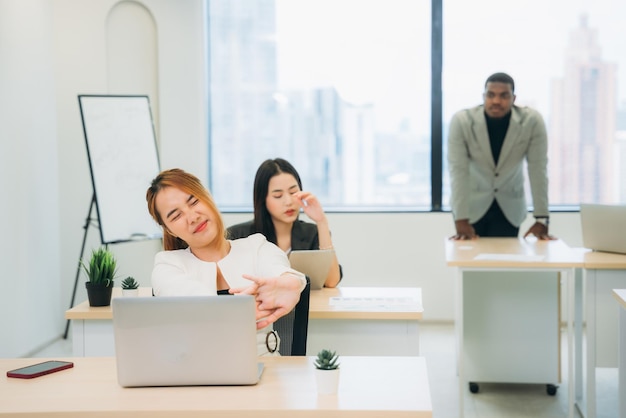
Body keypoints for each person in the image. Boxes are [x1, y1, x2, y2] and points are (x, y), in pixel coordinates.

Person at [146, 168, 307, 356]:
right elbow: (191, 300)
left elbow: (278, 269)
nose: (193, 217)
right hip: (199, 375)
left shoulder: (256, 246)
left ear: (208, 197)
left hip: (267, 370)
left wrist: (292, 282)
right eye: (176, 216)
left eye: (194, 201)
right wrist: (236, 311)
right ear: (169, 229)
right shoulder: (167, 264)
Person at [447, 72, 556, 240]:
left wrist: (542, 217)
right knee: (470, 263)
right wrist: (460, 218)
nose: (496, 101)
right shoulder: (462, 121)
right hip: (471, 208)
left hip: (510, 209)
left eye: (504, 96)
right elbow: (458, 171)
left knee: (506, 264)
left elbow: (538, 169)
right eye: (491, 95)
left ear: (514, 98)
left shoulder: (532, 122)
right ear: (483, 97)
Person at [228, 158, 342, 288]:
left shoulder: (312, 233)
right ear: (262, 199)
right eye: (278, 195)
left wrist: (322, 222)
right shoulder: (238, 236)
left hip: (306, 307)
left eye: (293, 192)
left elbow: (331, 281)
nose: (288, 201)